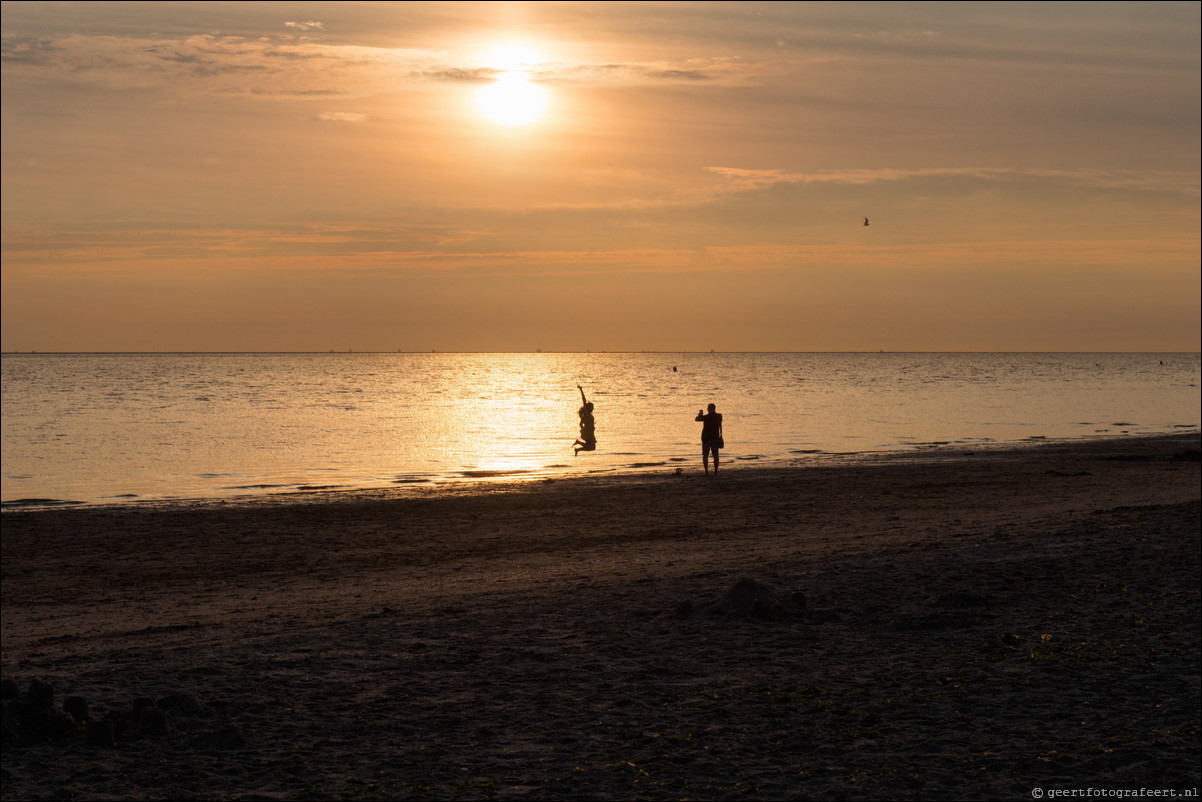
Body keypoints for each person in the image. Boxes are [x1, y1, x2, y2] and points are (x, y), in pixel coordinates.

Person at [695, 402, 723, 474]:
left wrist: (700, 414)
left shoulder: (706, 417)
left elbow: (697, 419)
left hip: (706, 438)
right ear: (714, 408)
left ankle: (706, 471)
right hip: (715, 437)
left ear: (708, 409)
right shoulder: (719, 416)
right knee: (715, 455)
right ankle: (716, 471)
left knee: (705, 455)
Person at [573, 385, 596, 456]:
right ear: (588, 408)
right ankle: (578, 445)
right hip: (588, 433)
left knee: (591, 447)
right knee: (592, 447)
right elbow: (584, 400)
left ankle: (578, 447)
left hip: (589, 432)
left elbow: (580, 424)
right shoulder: (586, 413)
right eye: (592, 407)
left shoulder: (587, 415)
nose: (593, 409)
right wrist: (581, 390)